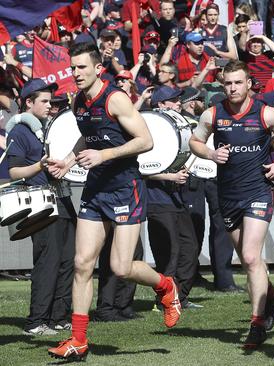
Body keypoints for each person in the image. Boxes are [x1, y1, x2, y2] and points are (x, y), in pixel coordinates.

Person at [46, 42, 181, 361]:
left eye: (81, 67)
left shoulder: (116, 98)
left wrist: (104, 154)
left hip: (125, 187)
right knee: (82, 263)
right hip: (96, 188)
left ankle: (165, 286)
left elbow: (145, 141)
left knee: (121, 267)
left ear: (97, 68)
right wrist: (68, 160)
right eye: (73, 67)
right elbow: (89, 136)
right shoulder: (78, 100)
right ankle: (78, 339)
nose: (75, 73)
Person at [189, 60, 274, 348]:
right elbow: (194, 142)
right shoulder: (213, 114)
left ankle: (257, 323)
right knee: (249, 260)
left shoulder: (266, 113)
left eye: (238, 82)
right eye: (228, 83)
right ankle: (270, 294)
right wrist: (210, 155)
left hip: (258, 192)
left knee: (250, 256)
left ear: (249, 83)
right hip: (228, 195)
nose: (233, 88)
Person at [7, 79, 75, 335]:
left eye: (51, 102)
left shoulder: (50, 128)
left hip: (63, 198)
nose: (50, 106)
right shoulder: (20, 131)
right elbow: (14, 171)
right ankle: (36, 321)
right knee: (48, 261)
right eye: (44, 102)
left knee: (69, 260)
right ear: (28, 102)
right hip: (39, 202)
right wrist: (40, 166)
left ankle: (59, 317)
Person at [146, 86, 202, 310]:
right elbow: (141, 167)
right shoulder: (151, 127)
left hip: (175, 198)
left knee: (189, 248)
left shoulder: (175, 127)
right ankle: (164, 301)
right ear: (160, 105)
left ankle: (181, 296)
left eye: (178, 100)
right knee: (169, 252)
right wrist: (170, 176)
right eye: (172, 101)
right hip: (156, 199)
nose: (178, 103)